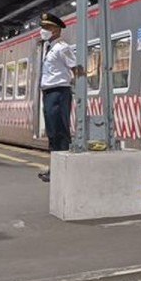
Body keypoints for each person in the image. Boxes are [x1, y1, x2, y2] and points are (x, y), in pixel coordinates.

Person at [37, 12, 82, 182]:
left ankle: (62, 169)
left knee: (60, 131)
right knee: (52, 132)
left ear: (56, 30)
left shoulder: (62, 48)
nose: (43, 30)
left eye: (46, 27)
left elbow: (76, 69)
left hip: (59, 92)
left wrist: (79, 89)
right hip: (49, 92)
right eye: (43, 27)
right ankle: (55, 168)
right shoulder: (49, 48)